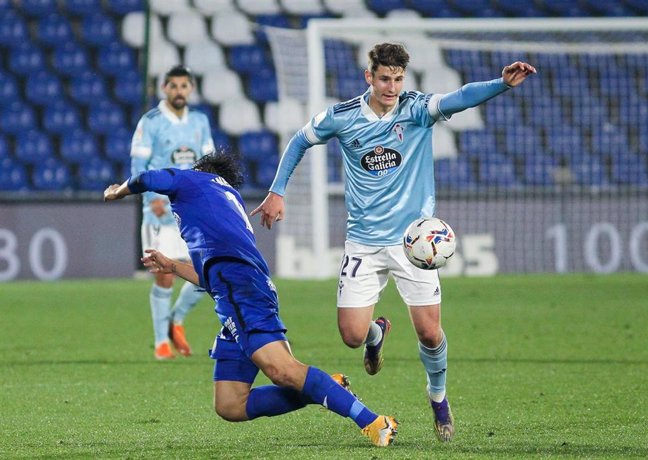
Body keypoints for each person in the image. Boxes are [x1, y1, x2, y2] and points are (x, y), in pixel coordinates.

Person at [251, 42, 537, 442]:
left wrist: (501, 84)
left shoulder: (417, 108)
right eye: (385, 78)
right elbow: (300, 140)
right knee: (351, 335)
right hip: (364, 243)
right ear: (369, 76)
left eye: (398, 79)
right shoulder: (343, 117)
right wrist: (277, 190)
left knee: (429, 333)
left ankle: (437, 397)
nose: (392, 86)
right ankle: (376, 335)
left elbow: (460, 97)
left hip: (414, 243)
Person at [103, 152, 399, 446]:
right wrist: (173, 266)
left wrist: (121, 189)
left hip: (241, 290)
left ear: (201, 170)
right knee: (231, 404)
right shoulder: (227, 201)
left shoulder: (195, 180)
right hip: (238, 290)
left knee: (283, 370)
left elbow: (154, 177)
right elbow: (212, 277)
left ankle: (373, 421)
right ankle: (325, 388)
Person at [130, 65, 216, 360]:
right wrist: (151, 194)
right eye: (173, 86)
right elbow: (138, 166)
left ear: (190, 89)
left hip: (192, 207)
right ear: (164, 88)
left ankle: (174, 320)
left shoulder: (200, 121)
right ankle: (160, 344)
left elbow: (208, 163)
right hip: (160, 210)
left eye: (184, 86)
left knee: (203, 273)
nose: (179, 91)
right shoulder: (151, 122)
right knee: (164, 276)